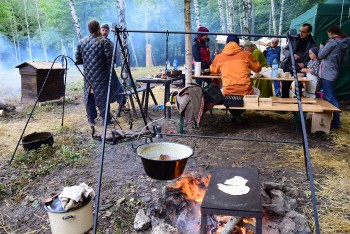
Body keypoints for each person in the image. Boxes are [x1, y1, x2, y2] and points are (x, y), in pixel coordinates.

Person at [210, 35, 262, 123]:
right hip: (245, 90)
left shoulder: (219, 57)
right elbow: (258, 68)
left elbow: (213, 70)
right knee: (257, 91)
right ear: (238, 44)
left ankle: (235, 114)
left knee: (224, 92)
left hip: (228, 91)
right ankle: (237, 114)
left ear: (226, 44)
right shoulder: (246, 54)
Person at [75, 20, 113, 125]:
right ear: (98, 29)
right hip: (102, 75)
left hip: (88, 75)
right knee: (103, 97)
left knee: (89, 96)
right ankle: (106, 120)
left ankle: (91, 119)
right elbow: (111, 59)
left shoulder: (82, 42)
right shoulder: (104, 41)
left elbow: (78, 59)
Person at [318, 25, 350, 128]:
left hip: (327, 72)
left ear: (331, 32)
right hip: (334, 70)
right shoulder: (343, 43)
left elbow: (320, 55)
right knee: (329, 96)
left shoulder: (332, 42)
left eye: (328, 33)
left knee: (330, 97)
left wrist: (321, 48)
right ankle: (332, 120)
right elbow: (344, 60)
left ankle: (336, 122)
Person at [280, 23, 316, 98]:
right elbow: (285, 50)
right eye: (300, 31)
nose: (300, 33)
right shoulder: (294, 38)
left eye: (303, 32)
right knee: (285, 84)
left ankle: (297, 106)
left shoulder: (312, 43)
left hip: (300, 68)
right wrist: (291, 55)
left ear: (309, 32)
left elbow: (314, 58)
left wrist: (304, 63)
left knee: (298, 86)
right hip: (289, 65)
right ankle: (284, 104)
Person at [100, 23, 126, 106]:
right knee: (101, 90)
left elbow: (114, 56)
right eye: (103, 30)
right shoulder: (95, 42)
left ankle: (122, 103)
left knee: (117, 86)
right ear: (100, 30)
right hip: (99, 71)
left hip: (109, 69)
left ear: (108, 32)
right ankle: (102, 108)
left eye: (106, 30)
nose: (104, 32)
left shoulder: (110, 43)